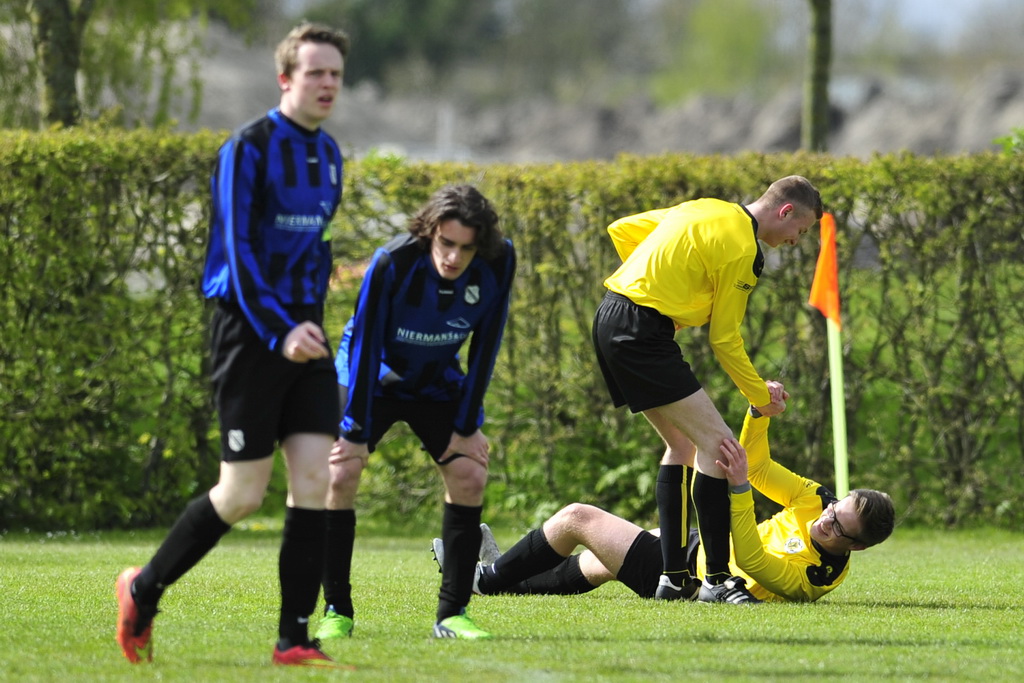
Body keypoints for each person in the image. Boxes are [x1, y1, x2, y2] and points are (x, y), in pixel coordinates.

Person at [115, 23, 351, 667]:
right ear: (286, 79)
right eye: (315, 72)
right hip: (251, 332)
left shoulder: (329, 154)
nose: (327, 83)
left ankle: (293, 638)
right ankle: (142, 589)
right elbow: (237, 255)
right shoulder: (245, 149)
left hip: (305, 332)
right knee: (242, 495)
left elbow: (313, 248)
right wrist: (280, 329)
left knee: (313, 479)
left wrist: (310, 321)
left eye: (335, 73)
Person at [591, 176, 823, 603]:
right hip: (642, 333)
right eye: (801, 232)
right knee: (719, 447)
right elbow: (725, 338)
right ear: (786, 212)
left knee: (682, 445)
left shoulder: (705, 207)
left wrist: (664, 288)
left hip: (611, 316)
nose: (795, 242)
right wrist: (759, 397)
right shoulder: (744, 249)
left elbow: (622, 229)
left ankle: (674, 579)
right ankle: (717, 581)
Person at [317, 184, 516, 641]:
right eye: (446, 244)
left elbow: (487, 342)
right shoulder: (393, 261)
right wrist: (351, 431)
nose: (453, 258)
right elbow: (365, 345)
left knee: (470, 475)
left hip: (436, 377)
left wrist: (468, 426)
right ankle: (336, 611)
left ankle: (452, 614)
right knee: (339, 474)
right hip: (372, 372)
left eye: (466, 248)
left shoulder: (499, 260)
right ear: (430, 233)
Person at [445, 404, 895, 603]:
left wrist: (737, 492)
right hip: (703, 550)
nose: (824, 520)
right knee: (601, 560)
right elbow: (757, 467)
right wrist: (757, 417)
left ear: (855, 547)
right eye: (834, 510)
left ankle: (483, 579)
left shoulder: (818, 575)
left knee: (579, 518)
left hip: (700, 583)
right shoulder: (818, 500)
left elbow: (755, 563)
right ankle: (507, 578)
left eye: (837, 527)